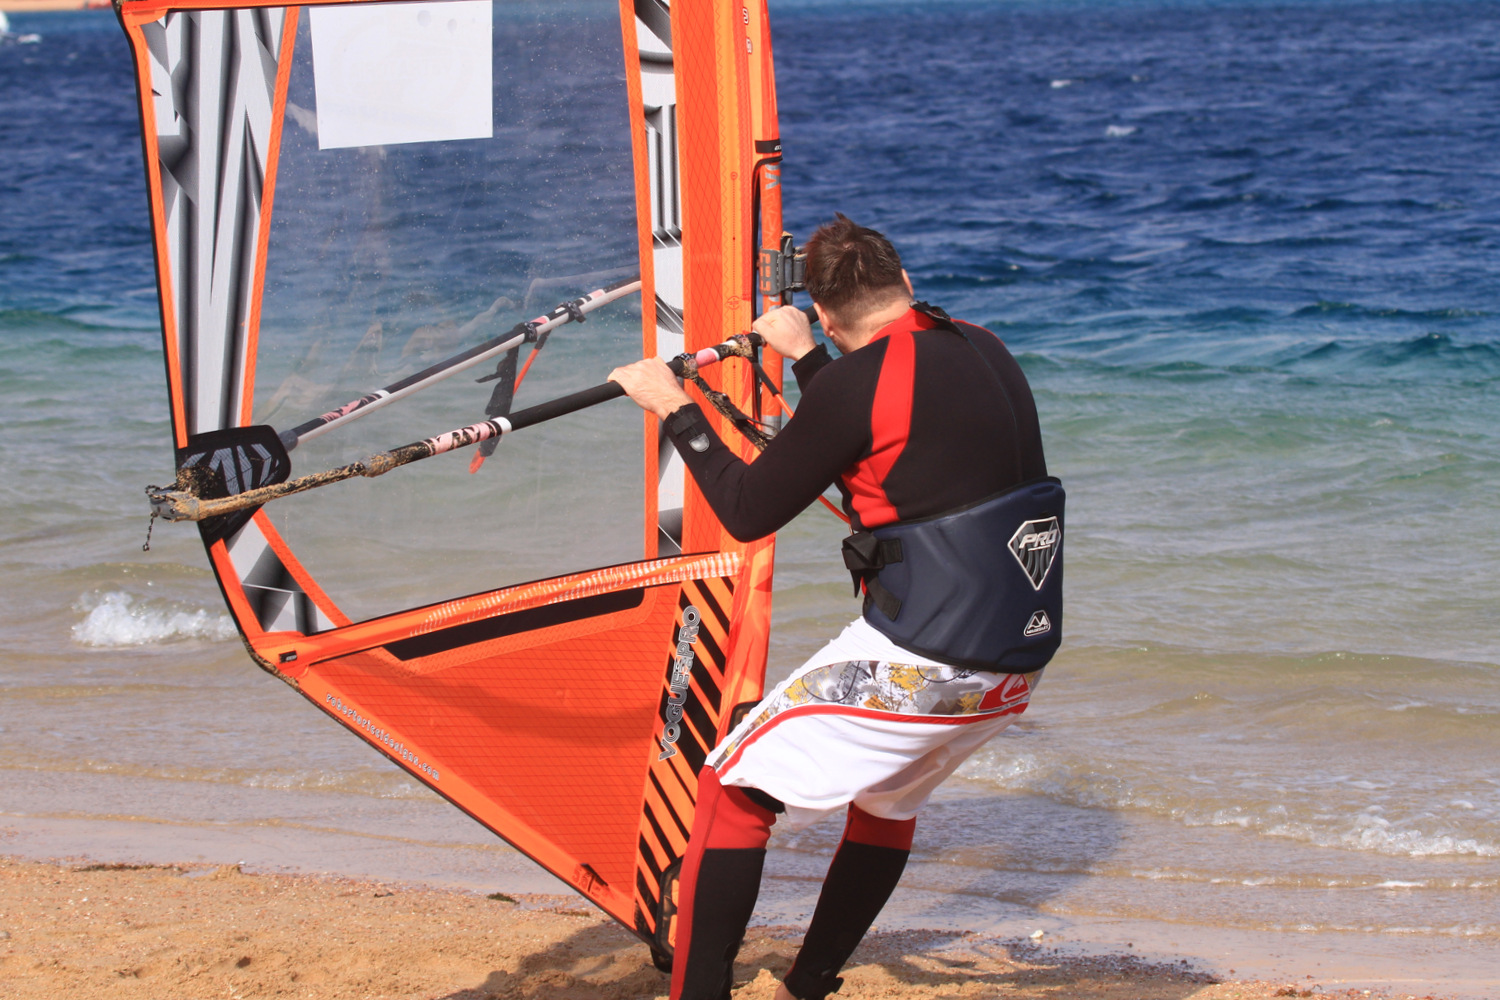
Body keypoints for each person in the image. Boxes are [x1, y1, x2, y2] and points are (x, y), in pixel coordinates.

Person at [609, 215, 1061, 1000]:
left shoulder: (857, 385)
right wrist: (808, 359)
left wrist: (673, 406)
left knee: (731, 786)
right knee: (885, 801)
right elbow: (879, 420)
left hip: (921, 662)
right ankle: (808, 984)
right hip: (1015, 668)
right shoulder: (984, 345)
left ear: (821, 311)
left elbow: (748, 510)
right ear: (906, 283)